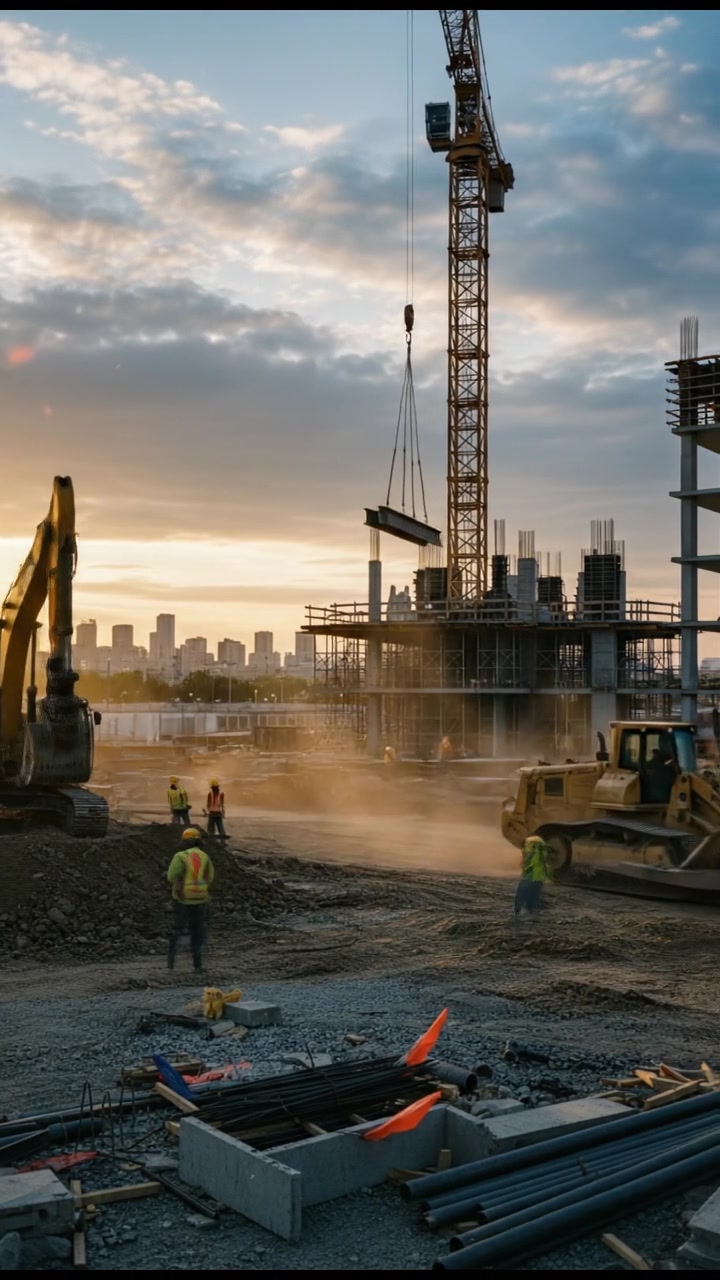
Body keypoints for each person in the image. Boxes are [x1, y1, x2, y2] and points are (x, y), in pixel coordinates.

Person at [166, 827, 215, 973]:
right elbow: (210, 877)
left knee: (177, 930)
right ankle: (197, 966)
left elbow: (171, 876)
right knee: (197, 933)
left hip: (182, 899)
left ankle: (171, 965)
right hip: (200, 899)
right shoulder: (204, 856)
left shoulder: (180, 856)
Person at [513, 834, 553, 918]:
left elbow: (528, 859)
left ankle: (519, 911)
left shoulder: (529, 843)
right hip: (539, 876)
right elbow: (544, 861)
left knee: (522, 892)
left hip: (530, 875)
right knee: (534, 894)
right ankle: (531, 911)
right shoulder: (539, 843)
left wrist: (524, 869)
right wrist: (548, 876)